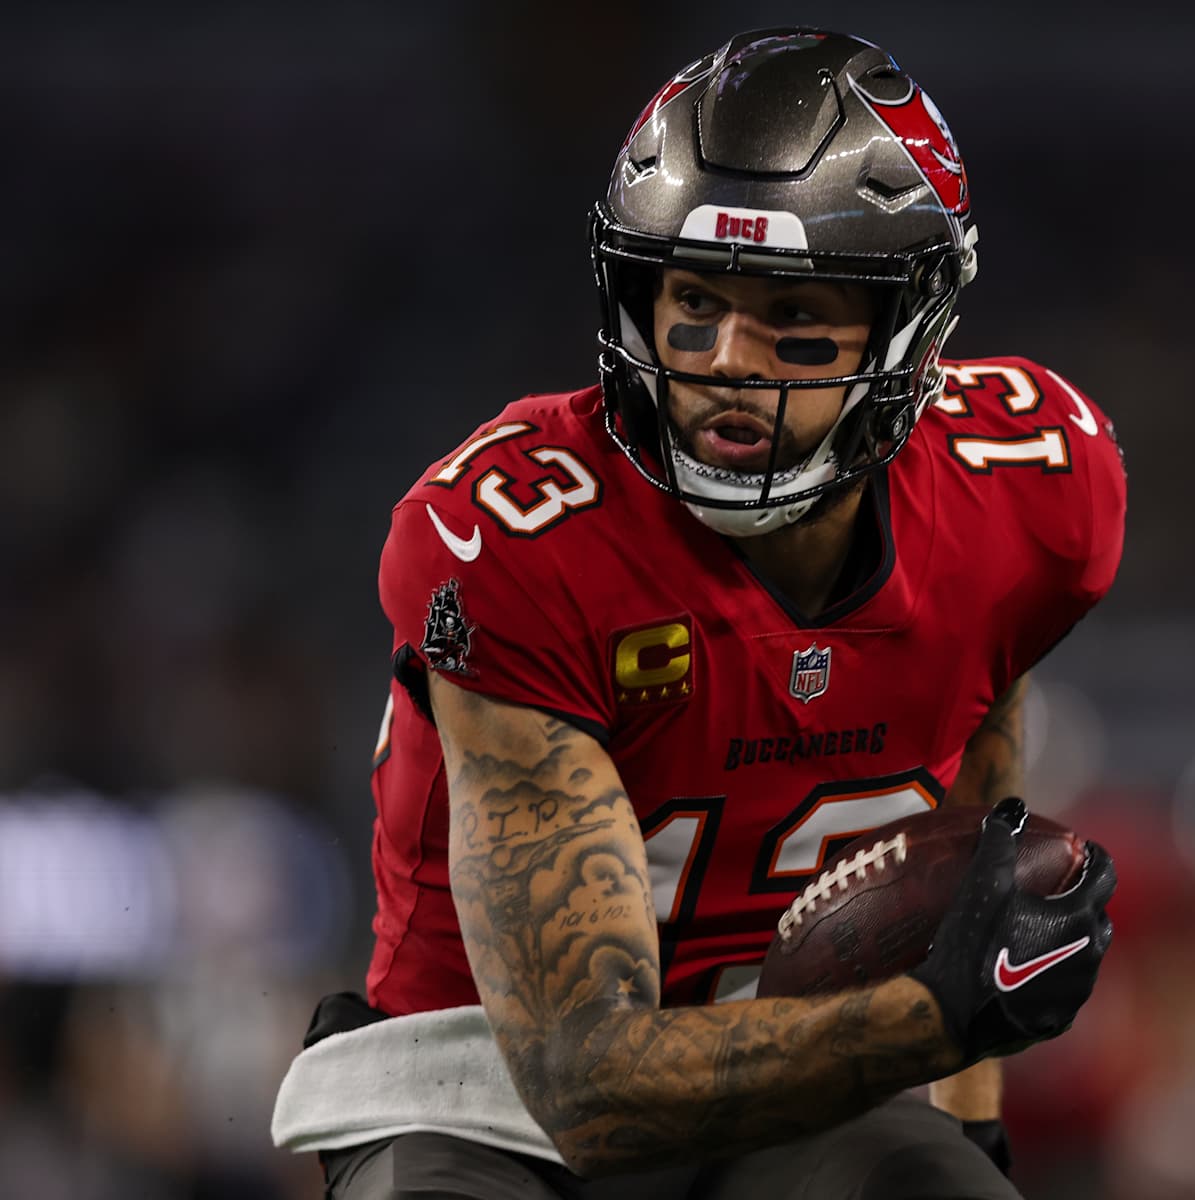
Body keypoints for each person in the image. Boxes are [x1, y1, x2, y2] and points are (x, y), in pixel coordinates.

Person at [271, 27, 1126, 1200]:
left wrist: (964, 1121)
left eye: (794, 319)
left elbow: (982, 704)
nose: (729, 362)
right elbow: (588, 1083)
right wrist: (930, 1024)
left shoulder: (1027, 491)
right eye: (694, 307)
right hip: (482, 1092)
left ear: (912, 331)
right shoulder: (520, 538)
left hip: (803, 1085)